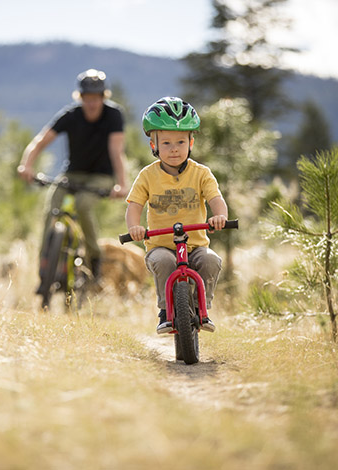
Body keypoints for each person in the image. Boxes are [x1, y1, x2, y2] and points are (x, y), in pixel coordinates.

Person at [125, 97, 228, 334]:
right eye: (167, 142)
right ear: (154, 146)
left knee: (211, 260)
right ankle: (165, 311)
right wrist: (134, 228)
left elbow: (215, 199)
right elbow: (134, 206)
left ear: (191, 142)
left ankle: (201, 309)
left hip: (196, 244)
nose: (174, 148)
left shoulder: (201, 173)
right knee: (164, 262)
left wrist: (219, 216)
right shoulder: (147, 175)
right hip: (161, 245)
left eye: (181, 141)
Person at [17, 68, 129, 283]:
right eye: (88, 98)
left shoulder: (114, 115)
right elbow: (40, 141)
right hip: (73, 174)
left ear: (103, 97)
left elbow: (117, 151)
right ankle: (45, 267)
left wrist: (122, 184)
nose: (92, 103)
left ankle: (95, 257)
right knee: (51, 209)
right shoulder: (71, 116)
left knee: (83, 205)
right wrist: (26, 165)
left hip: (101, 176)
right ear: (81, 97)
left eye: (96, 98)